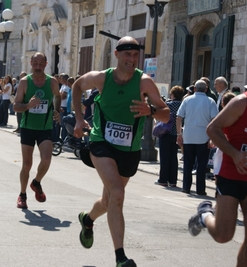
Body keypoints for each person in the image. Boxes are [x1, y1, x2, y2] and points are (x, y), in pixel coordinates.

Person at [72, 36, 169, 267]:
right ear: (116, 54)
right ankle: (120, 258)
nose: (131, 59)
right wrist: (78, 118)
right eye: (127, 54)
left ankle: (88, 219)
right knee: (117, 192)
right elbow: (76, 86)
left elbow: (166, 114)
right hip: (101, 142)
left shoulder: (144, 82)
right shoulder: (101, 78)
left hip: (129, 149)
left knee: (109, 200)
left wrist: (151, 110)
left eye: (135, 55)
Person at [188, 91, 247, 267]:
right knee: (223, 235)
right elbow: (212, 128)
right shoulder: (240, 103)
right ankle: (204, 214)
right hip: (230, 174)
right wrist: (235, 154)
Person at [13, 52, 60, 210]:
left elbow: (58, 96)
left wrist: (56, 110)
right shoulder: (25, 82)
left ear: (46, 64)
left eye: (41, 64)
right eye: (35, 64)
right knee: (27, 164)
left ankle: (37, 182)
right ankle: (22, 195)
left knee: (46, 160)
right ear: (31, 63)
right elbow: (16, 106)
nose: (38, 67)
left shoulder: (52, 82)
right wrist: (27, 106)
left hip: (45, 127)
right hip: (28, 127)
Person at [176, 79, 218, 195]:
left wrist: (179, 134)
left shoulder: (187, 100)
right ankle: (200, 189)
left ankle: (186, 187)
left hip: (188, 135)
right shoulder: (210, 101)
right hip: (203, 136)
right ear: (206, 89)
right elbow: (214, 120)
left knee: (188, 163)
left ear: (194, 89)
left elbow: (178, 117)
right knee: (201, 164)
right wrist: (212, 137)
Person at [155, 85, 184, 187]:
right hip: (177, 133)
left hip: (166, 133)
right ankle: (173, 180)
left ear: (172, 95)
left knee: (164, 157)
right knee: (173, 157)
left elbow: (160, 115)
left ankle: (163, 179)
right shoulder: (182, 105)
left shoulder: (168, 104)